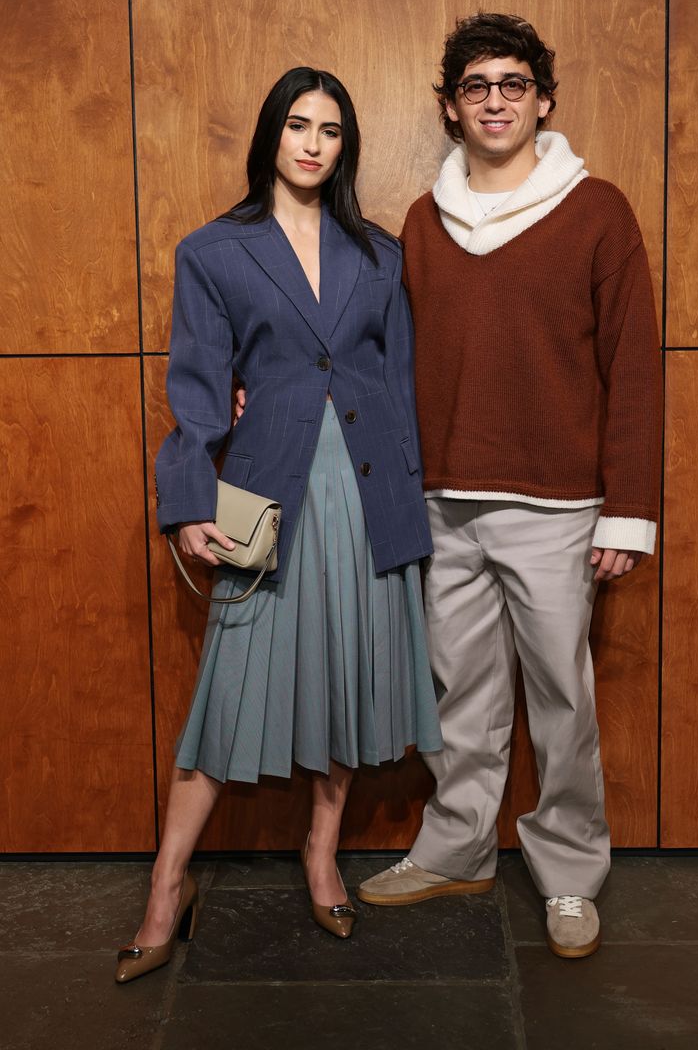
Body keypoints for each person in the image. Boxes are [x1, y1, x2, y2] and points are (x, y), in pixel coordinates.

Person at [115, 67, 441, 982]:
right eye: (297, 125)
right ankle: (165, 889)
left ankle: (321, 853)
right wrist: (185, 502)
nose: (312, 143)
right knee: (229, 696)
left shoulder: (379, 254)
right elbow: (196, 387)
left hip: (370, 492)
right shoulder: (214, 251)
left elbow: (398, 381)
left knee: (344, 681)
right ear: (270, 135)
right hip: (270, 492)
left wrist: (413, 507)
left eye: (330, 130)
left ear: (346, 146)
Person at [356, 13, 662, 959]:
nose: (496, 100)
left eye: (513, 84)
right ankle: (457, 849)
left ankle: (570, 874)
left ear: (543, 100)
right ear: (451, 107)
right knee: (460, 696)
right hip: (444, 497)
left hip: (557, 505)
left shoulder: (597, 209)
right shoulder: (421, 219)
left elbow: (634, 370)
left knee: (562, 701)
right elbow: (381, 358)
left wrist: (631, 512)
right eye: (477, 85)